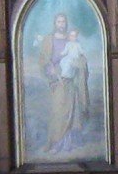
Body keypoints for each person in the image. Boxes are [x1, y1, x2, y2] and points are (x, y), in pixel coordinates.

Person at [38, 11, 91, 156]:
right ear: (55, 23)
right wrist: (51, 70)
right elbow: (43, 59)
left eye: (63, 21)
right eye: (59, 21)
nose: (61, 24)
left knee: (71, 112)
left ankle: (68, 143)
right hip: (56, 79)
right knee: (59, 112)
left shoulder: (71, 38)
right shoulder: (49, 39)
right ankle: (56, 142)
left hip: (70, 79)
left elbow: (81, 58)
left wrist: (78, 64)